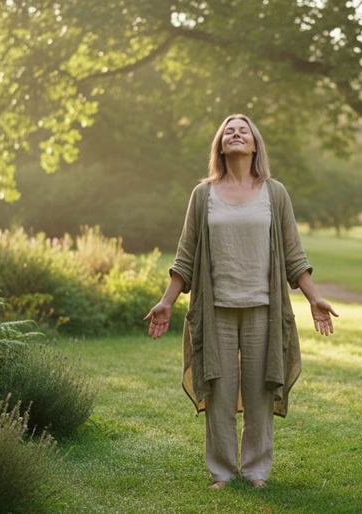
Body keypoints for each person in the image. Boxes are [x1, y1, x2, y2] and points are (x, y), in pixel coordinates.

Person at [144, 113, 339, 490]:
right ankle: (221, 471)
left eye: (243, 130)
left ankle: (256, 471)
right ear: (220, 144)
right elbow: (186, 255)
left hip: (263, 308)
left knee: (260, 392)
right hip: (215, 310)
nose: (235, 134)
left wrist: (314, 297)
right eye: (228, 131)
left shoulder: (274, 192)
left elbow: (293, 253)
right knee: (217, 392)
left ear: (254, 145)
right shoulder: (203, 194)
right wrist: (167, 301)